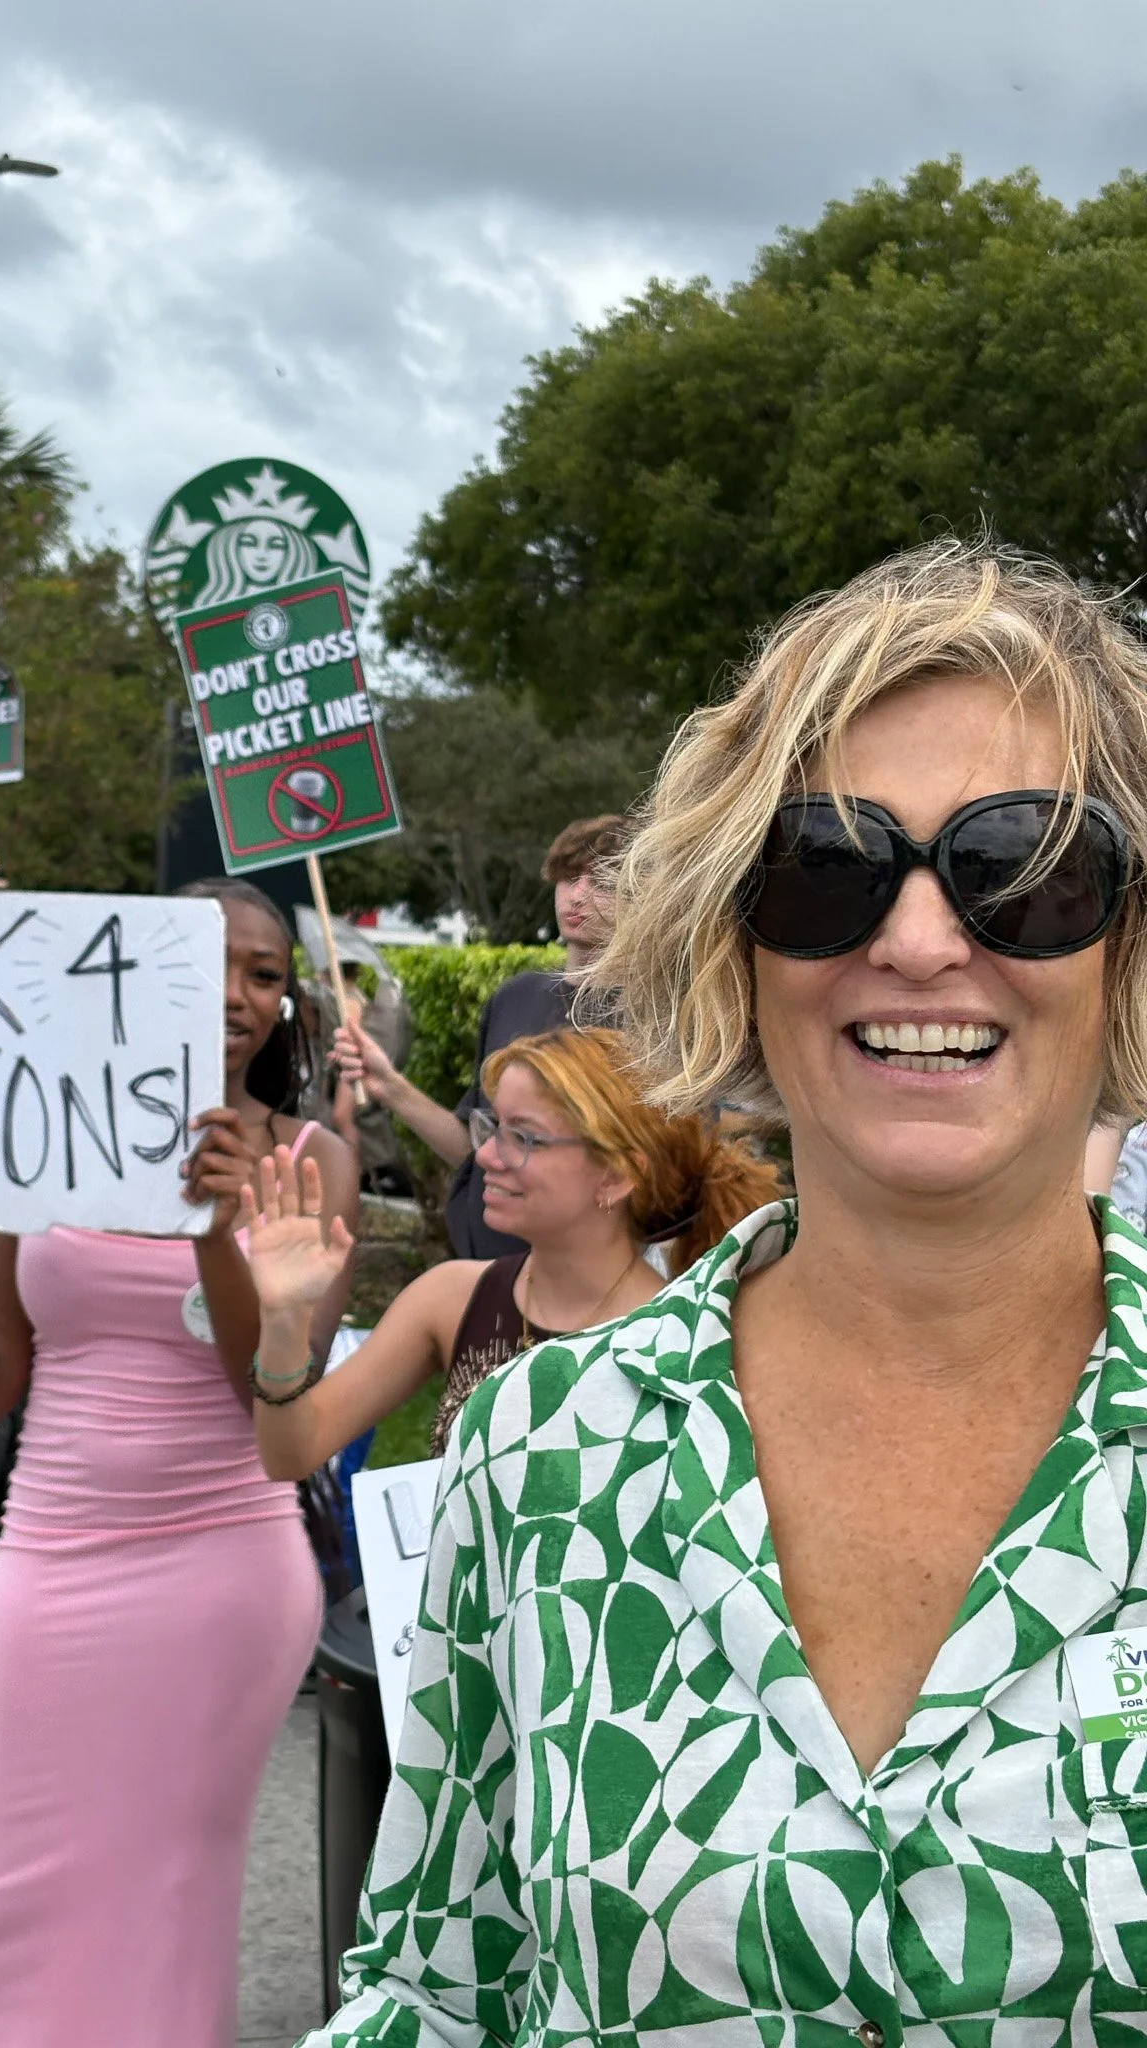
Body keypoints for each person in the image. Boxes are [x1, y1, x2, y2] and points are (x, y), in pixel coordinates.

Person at [301, 537, 1147, 2045]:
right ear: (734, 941)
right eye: (827, 868)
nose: (918, 940)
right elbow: (439, 1993)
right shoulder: (544, 1449)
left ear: (1127, 941)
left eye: (1023, 867)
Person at [0, 876, 360, 2048]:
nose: (241, 995)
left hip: (217, 1579)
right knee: (7, 1897)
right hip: (43, 1568)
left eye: (264, 973)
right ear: (140, 970)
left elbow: (274, 1402)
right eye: (213, 963)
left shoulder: (309, 1163)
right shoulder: (50, 1129)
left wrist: (222, 1229)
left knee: (159, 1910)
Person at [240, 1026, 779, 1472]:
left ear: (616, 1176)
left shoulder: (684, 1342)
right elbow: (291, 1453)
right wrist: (284, 1319)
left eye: (524, 1137)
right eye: (491, 1128)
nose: (488, 1157)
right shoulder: (452, 1300)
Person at [335, 814, 630, 1256]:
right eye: (569, 878)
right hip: (484, 1272)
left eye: (601, 881)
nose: (578, 895)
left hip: (586, 1287)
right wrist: (390, 1086)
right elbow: (477, 1155)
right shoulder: (514, 998)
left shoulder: (654, 1020)